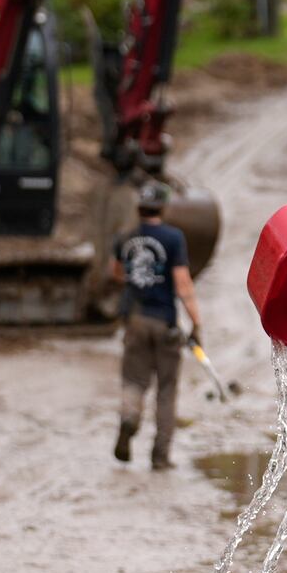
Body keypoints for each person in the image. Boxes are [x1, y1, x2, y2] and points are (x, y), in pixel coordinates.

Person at [110, 181, 202, 468]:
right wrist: (196, 322)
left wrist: (139, 283)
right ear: (162, 207)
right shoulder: (173, 238)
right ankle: (160, 456)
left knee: (134, 381)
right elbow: (183, 284)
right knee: (166, 389)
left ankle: (129, 418)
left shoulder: (125, 238)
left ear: (139, 206)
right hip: (165, 322)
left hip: (135, 320)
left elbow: (116, 274)